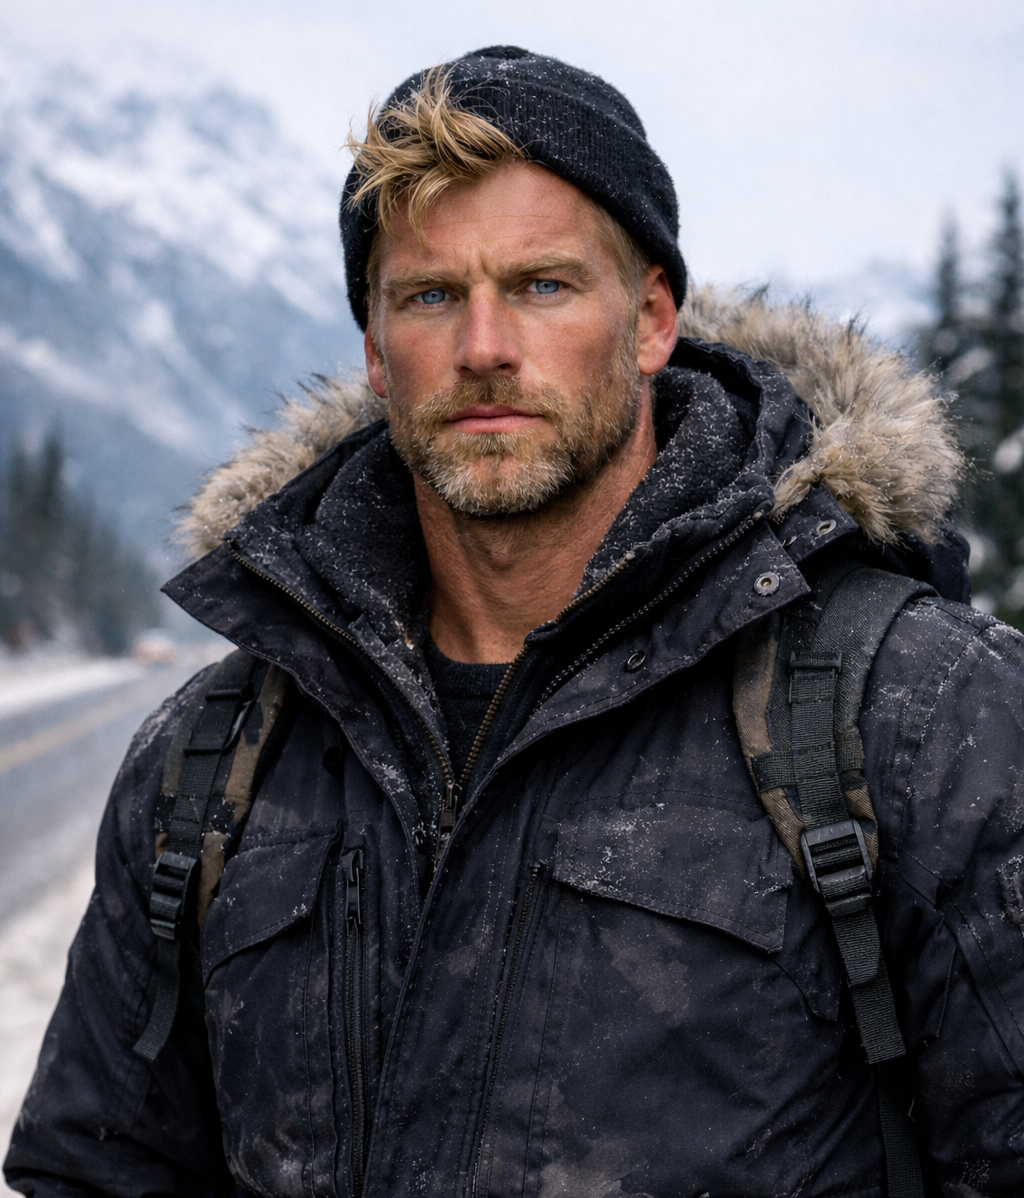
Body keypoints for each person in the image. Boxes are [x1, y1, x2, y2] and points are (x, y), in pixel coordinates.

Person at [5, 45, 1024, 1198]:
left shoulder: (919, 713)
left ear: (648, 322)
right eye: (431, 294)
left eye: (541, 285)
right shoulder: (215, 758)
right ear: (378, 355)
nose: (485, 347)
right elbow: (91, 1173)